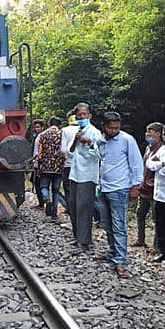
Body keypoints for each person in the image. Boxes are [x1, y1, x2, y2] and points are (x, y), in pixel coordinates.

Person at [97, 111, 143, 278]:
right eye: (110, 128)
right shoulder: (101, 141)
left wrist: (136, 186)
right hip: (104, 187)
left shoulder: (127, 140)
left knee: (119, 224)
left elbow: (136, 163)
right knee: (107, 223)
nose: (113, 131)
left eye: (116, 128)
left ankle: (120, 259)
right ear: (104, 126)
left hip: (120, 188)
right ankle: (112, 251)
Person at [67, 103, 103, 249]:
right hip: (75, 174)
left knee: (84, 208)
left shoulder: (95, 133)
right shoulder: (78, 131)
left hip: (87, 176)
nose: (81, 117)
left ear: (89, 115)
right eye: (79, 115)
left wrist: (88, 142)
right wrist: (76, 140)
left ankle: (85, 240)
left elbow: (99, 155)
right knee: (74, 206)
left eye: (84, 114)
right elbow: (69, 152)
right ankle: (77, 236)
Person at [135, 122, 164, 247]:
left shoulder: (162, 150)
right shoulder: (148, 148)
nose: (147, 134)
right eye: (147, 131)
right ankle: (140, 239)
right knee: (140, 213)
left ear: (158, 134)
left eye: (150, 132)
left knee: (156, 218)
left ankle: (157, 245)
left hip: (155, 190)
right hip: (144, 188)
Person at [148, 122, 165, 266]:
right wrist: (161, 164)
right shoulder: (163, 149)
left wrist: (159, 166)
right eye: (164, 134)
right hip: (159, 194)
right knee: (161, 225)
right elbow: (149, 163)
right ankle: (164, 253)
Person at [37, 116, 64, 219]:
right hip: (58, 167)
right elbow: (63, 149)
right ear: (59, 125)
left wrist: (39, 164)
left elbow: (40, 152)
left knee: (44, 187)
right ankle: (54, 212)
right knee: (56, 190)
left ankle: (47, 199)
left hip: (45, 166)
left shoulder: (43, 135)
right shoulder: (61, 134)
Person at [60, 111, 80, 207]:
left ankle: (71, 211)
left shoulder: (65, 130)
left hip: (68, 165)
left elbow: (63, 150)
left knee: (69, 190)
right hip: (83, 166)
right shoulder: (85, 129)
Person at [30, 119, 45, 209]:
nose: (36, 129)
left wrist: (33, 159)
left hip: (39, 162)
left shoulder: (41, 137)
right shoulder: (36, 136)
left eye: (38, 127)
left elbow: (39, 151)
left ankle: (43, 202)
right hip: (36, 162)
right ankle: (42, 201)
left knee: (38, 183)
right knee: (35, 181)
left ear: (42, 127)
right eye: (35, 127)